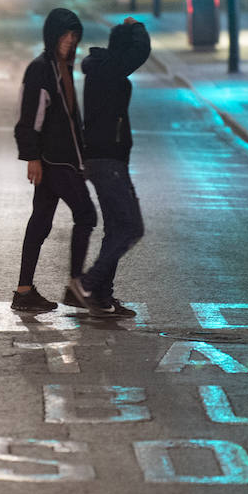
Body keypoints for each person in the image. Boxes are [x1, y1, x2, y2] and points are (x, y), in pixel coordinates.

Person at [11, 8, 97, 312]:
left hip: (62, 159)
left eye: (74, 35)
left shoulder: (63, 67)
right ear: (52, 35)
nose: (69, 41)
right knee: (86, 215)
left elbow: (70, 120)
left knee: (40, 222)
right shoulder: (41, 69)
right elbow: (28, 116)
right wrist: (31, 156)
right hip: (54, 161)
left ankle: (24, 291)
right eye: (64, 35)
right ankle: (76, 284)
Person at [68, 17, 150, 319]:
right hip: (108, 161)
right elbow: (141, 52)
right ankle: (89, 284)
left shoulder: (102, 69)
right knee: (131, 227)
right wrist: (137, 25)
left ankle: (102, 295)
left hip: (106, 160)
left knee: (116, 227)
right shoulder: (109, 70)